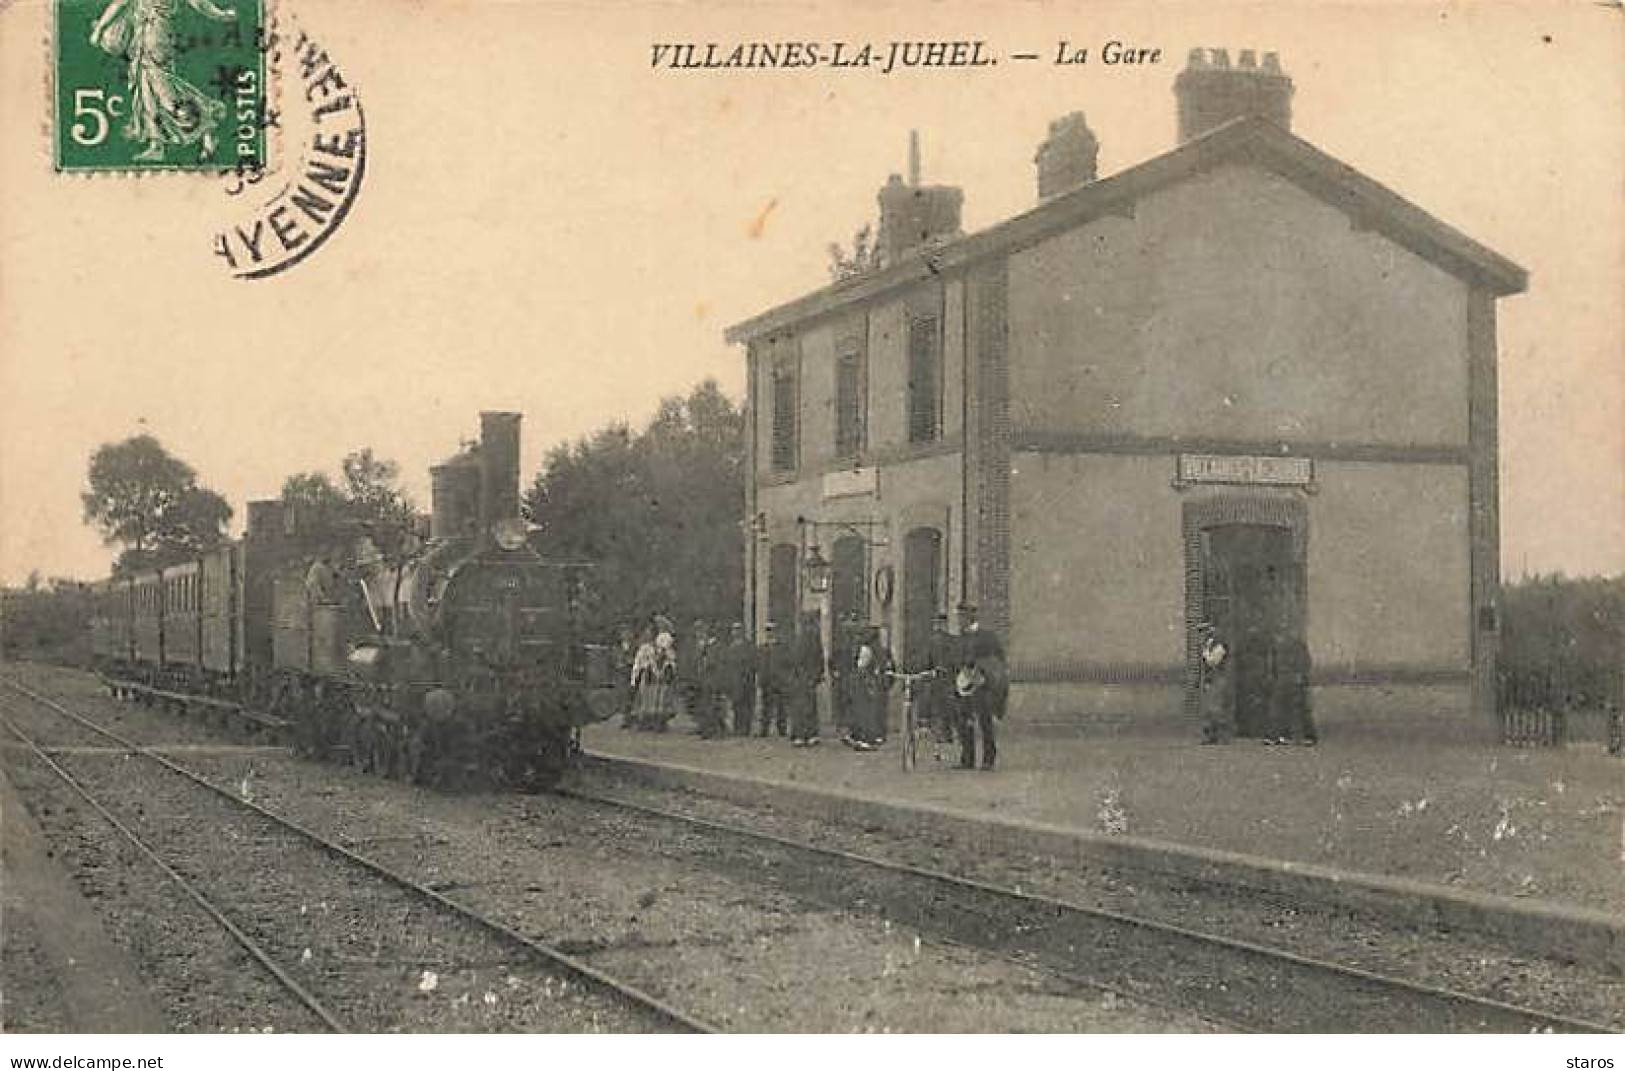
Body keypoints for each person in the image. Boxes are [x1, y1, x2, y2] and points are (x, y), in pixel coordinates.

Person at [954, 604, 1007, 770]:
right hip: (964, 684)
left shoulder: (987, 637)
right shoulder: (960, 638)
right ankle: (967, 758)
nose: (959, 620)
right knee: (964, 721)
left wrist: (983, 671)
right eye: (958, 617)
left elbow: (997, 659)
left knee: (985, 721)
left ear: (969, 618)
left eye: (961, 617)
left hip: (982, 685)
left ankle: (988, 759)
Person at [847, 626, 893, 749]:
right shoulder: (882, 651)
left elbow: (861, 666)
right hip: (877, 685)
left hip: (866, 684)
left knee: (864, 712)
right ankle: (875, 736)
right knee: (875, 712)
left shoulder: (866, 649)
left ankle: (866, 738)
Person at [787, 613, 825, 746]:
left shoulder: (807, 639)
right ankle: (804, 734)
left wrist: (816, 675)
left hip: (805, 677)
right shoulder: (808, 639)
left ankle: (805, 734)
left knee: (804, 707)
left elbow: (818, 660)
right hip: (803, 677)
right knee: (804, 707)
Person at [1198, 624, 1236, 744]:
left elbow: (1213, 661)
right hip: (1211, 679)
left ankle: (1222, 737)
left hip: (1219, 678)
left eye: (1207, 631)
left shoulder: (1219, 646)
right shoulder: (1209, 644)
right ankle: (1211, 736)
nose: (1204, 634)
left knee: (1216, 708)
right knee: (1209, 709)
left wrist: (1205, 652)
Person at [718, 622, 757, 737]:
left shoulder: (749, 646)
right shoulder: (730, 647)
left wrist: (748, 675)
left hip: (746, 680)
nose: (736, 632)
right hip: (734, 681)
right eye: (734, 630)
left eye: (738, 630)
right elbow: (726, 664)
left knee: (746, 706)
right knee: (736, 705)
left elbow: (752, 663)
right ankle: (737, 727)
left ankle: (745, 728)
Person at [925, 612, 957, 744]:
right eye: (937, 623)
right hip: (940, 677)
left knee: (945, 706)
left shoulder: (947, 640)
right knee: (940, 706)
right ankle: (942, 733)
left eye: (941, 623)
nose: (939, 626)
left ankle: (945, 733)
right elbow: (929, 660)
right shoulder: (934, 641)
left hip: (945, 677)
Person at [756, 621, 788, 737]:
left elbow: (786, 664)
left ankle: (782, 728)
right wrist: (760, 678)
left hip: (779, 681)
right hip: (766, 681)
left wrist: (784, 678)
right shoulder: (762, 648)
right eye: (768, 631)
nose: (770, 634)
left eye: (772, 631)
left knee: (781, 707)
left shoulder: (782, 648)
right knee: (765, 707)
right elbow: (759, 665)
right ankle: (764, 729)